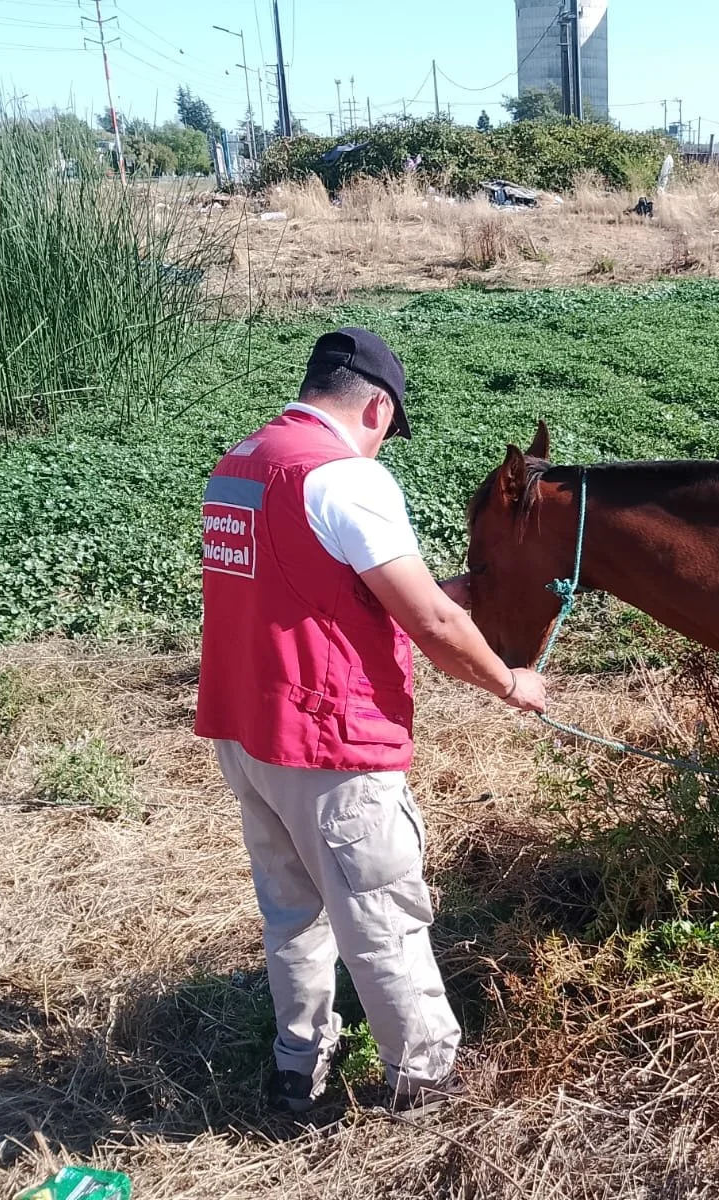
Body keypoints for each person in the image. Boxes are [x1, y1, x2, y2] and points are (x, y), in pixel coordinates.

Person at [194, 326, 546, 1115]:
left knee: (292, 912)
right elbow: (431, 626)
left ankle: (296, 1064)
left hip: (250, 734)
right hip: (330, 745)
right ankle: (426, 1082)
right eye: (390, 430)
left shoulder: (240, 465)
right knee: (380, 914)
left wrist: (446, 587)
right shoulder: (346, 480)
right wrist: (511, 680)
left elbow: (307, 588)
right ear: (378, 408)